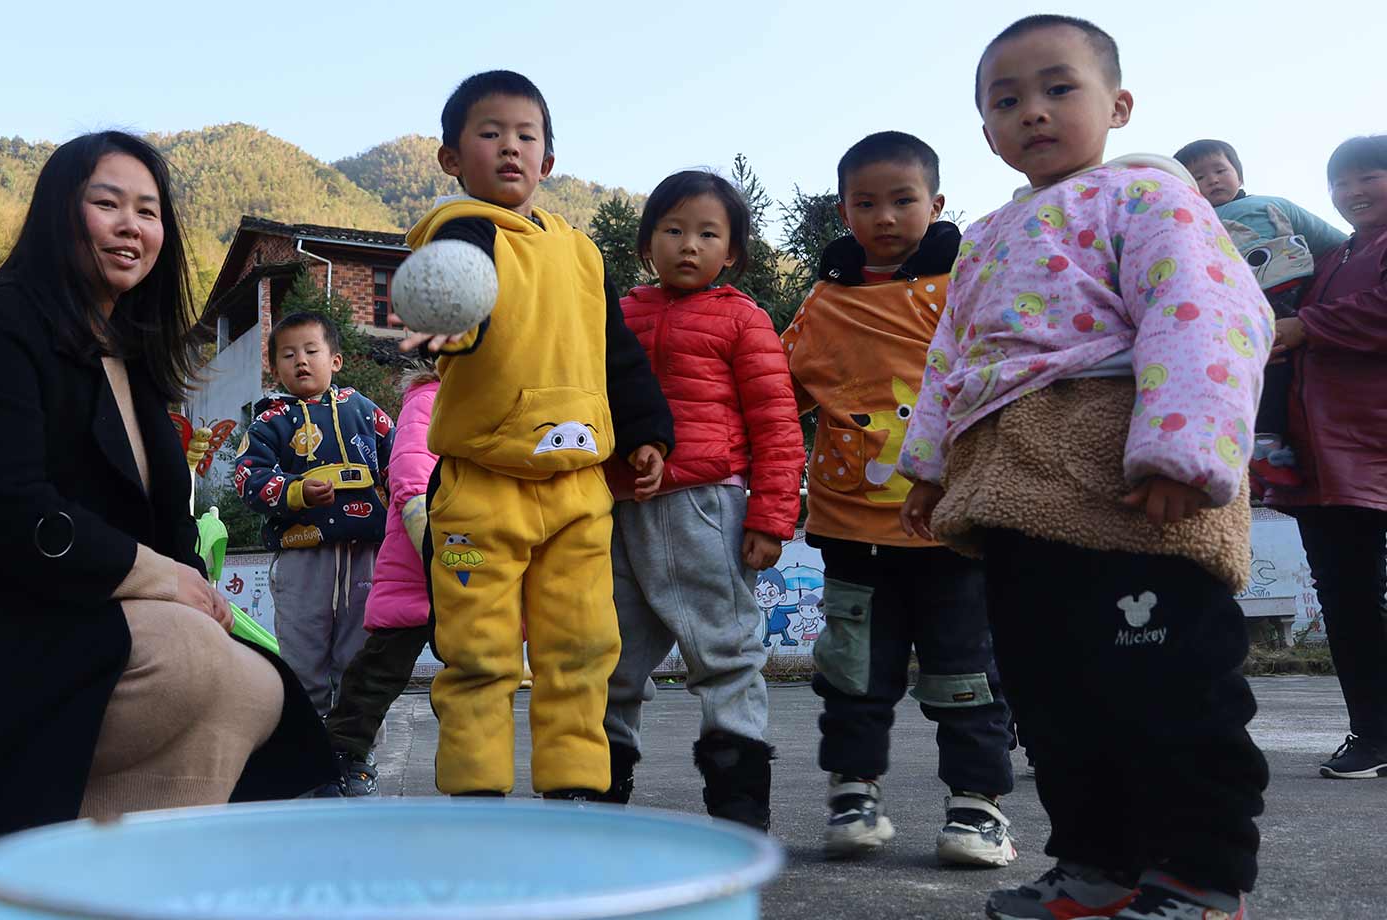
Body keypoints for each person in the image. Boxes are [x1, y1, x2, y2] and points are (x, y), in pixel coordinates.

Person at [0, 132, 334, 899]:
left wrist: (186, 580)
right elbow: (5, 508)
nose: (130, 226)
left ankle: (133, 870)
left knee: (254, 682)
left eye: (147, 211)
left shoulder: (133, 357)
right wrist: (163, 581)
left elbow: (164, 522)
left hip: (70, 605)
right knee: (184, 650)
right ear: (59, 213)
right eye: (106, 203)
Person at [899, 16, 1273, 919]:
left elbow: (1204, 313)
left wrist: (1181, 451)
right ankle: (1096, 864)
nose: (1032, 111)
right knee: (1053, 697)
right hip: (1018, 491)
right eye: (1006, 99)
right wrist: (930, 467)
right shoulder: (984, 236)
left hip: (1130, 481)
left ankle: (1198, 872)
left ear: (1119, 104)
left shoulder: (1151, 199)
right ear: (985, 130)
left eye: (1058, 88)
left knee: (1167, 687)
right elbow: (955, 357)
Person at [401, 70, 675, 798]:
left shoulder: (582, 253)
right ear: (452, 159)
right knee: (480, 657)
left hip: (579, 487)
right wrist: (449, 321)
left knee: (583, 650)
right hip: (482, 487)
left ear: (549, 161)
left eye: (527, 136)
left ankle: (577, 791)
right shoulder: (460, 230)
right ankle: (476, 797)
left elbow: (616, 351)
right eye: (490, 134)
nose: (511, 148)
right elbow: (461, 279)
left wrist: (649, 430)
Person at [780, 131, 1018, 866]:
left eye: (903, 200)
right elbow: (779, 392)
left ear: (937, 204)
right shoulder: (824, 304)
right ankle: (854, 797)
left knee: (966, 676)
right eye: (866, 203)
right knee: (853, 676)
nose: (884, 216)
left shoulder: (964, 289)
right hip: (853, 530)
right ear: (844, 210)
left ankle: (976, 810)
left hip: (953, 529)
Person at [595, 170, 803, 830]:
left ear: (733, 253)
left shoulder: (744, 318)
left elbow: (776, 423)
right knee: (609, 658)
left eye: (708, 234)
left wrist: (772, 518)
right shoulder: (617, 316)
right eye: (674, 230)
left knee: (726, 656)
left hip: (709, 508)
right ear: (645, 243)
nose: (689, 245)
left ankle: (740, 811)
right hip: (619, 509)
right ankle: (596, 797)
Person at [1266, 135, 1387, 782]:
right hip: (1324, 456)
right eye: (1341, 184)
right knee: (1346, 597)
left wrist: (1306, 327)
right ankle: (1372, 732)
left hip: (1374, 443)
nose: (1352, 192)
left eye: (1369, 177)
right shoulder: (1332, 255)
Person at [234, 313, 395, 717]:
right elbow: (246, 476)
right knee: (302, 660)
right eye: (288, 355)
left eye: (311, 351)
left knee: (360, 660)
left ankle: (358, 756)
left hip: (367, 558)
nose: (300, 361)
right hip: (302, 556)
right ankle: (310, 759)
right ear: (275, 369)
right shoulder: (268, 422)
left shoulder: (365, 411)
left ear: (335, 361)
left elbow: (400, 460)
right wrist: (295, 491)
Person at [1173, 138, 1350, 500]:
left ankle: (1268, 448)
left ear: (1238, 173)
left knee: (1283, 372)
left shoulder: (1271, 206)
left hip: (1284, 306)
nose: (1213, 180)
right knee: (1235, 383)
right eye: (1199, 177)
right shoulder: (1184, 221)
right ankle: (1254, 453)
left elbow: (1336, 245)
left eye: (1220, 170)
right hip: (1227, 316)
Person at [316, 361, 441, 796]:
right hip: (421, 565)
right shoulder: (428, 400)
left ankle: (476, 770)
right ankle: (341, 755)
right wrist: (436, 547)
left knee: (476, 673)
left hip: (481, 564)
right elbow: (411, 480)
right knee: (377, 673)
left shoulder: (497, 394)